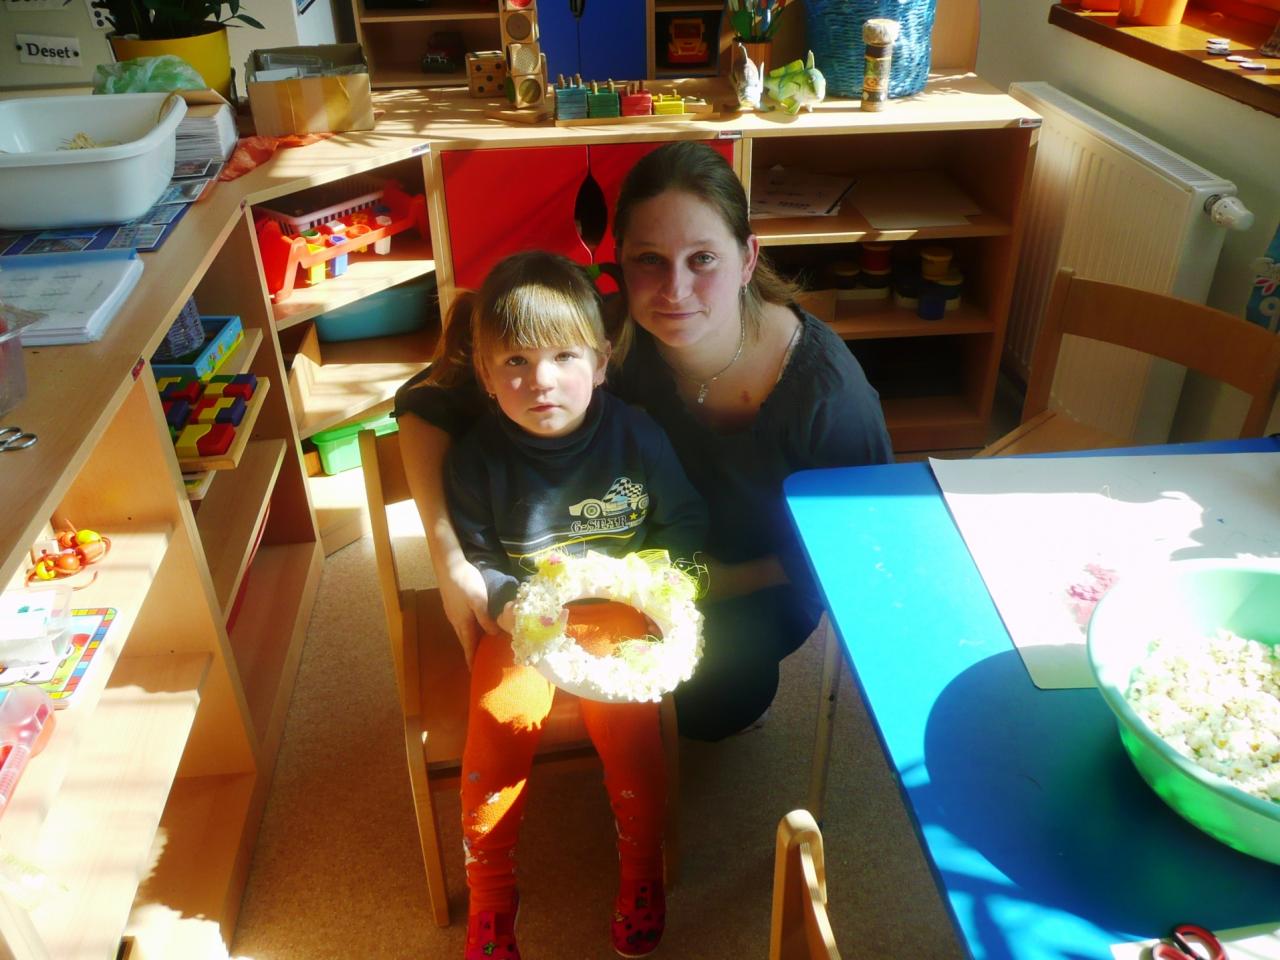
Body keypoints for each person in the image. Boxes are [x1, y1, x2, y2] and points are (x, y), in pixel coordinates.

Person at [396, 140, 892, 746]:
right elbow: (425, 399)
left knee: (715, 701)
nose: (674, 289)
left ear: (747, 259)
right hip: (613, 565)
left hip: (751, 582)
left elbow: (864, 543)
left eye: (703, 259)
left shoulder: (827, 394)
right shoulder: (601, 334)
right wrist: (449, 559)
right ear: (620, 264)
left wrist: (712, 582)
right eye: (649, 260)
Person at [426, 250, 708, 960]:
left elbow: (683, 525)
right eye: (515, 362)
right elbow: (480, 559)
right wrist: (508, 607)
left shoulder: (637, 435)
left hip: (618, 613)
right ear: (485, 374)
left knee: (629, 723)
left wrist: (663, 595)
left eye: (563, 357)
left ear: (602, 362)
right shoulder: (476, 459)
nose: (541, 380)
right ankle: (492, 891)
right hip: (524, 618)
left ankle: (640, 869)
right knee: (501, 718)